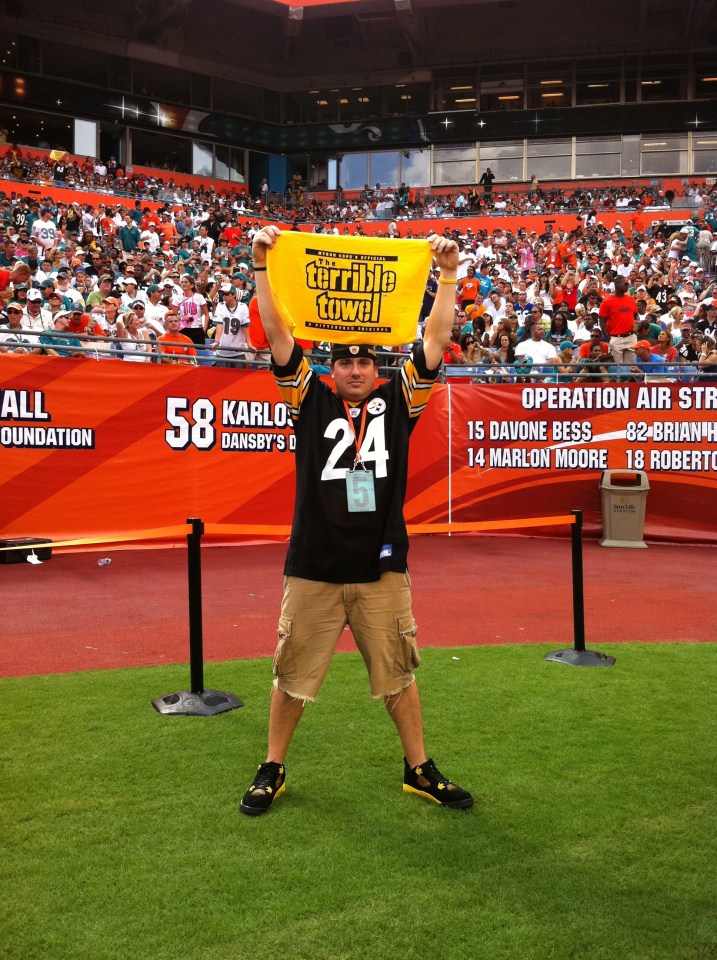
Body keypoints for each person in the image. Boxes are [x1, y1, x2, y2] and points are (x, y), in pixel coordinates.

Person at [240, 225, 473, 817]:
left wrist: (447, 275)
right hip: (315, 564)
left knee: (399, 673)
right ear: (332, 368)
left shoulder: (400, 400)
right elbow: (276, 333)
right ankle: (272, 766)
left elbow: (438, 341)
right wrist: (262, 265)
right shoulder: (308, 398)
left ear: (377, 367)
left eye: (364, 360)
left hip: (381, 566)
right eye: (344, 361)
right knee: (290, 674)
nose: (355, 369)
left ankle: (418, 768)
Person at [598, 275, 638, 377]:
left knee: (632, 369)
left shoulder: (631, 299)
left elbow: (636, 315)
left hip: (631, 337)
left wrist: (637, 325)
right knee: (617, 371)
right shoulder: (607, 302)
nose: (627, 285)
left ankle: (630, 390)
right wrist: (609, 339)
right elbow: (601, 321)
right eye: (625, 284)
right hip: (615, 338)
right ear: (616, 285)